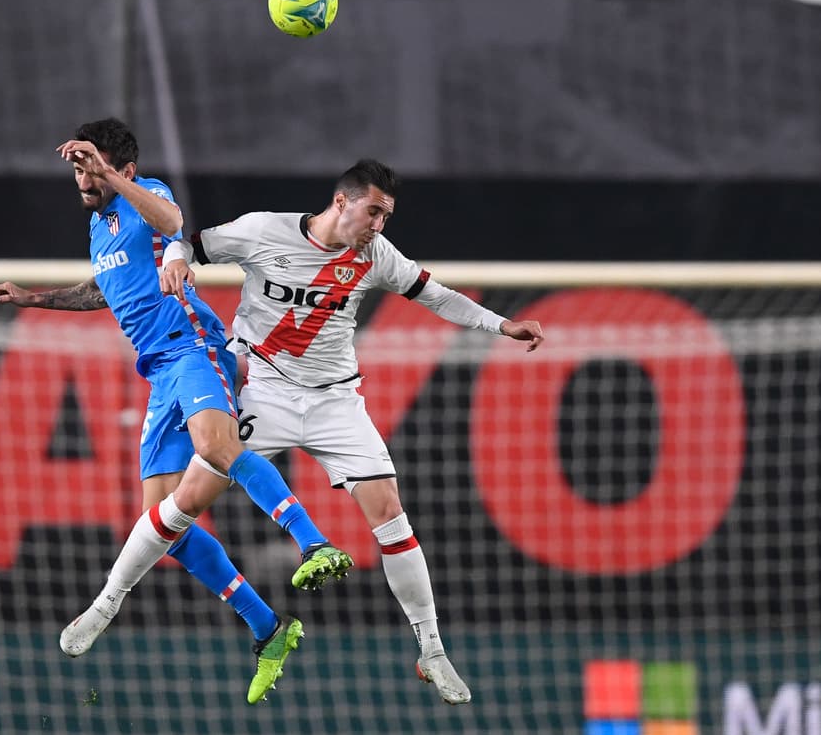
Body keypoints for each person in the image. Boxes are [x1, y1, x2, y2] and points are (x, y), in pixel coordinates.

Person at [0, 118, 353, 704]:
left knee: (217, 447)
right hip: (159, 371)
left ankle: (313, 543)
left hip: (192, 347)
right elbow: (105, 290)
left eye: (93, 168)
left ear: (124, 169)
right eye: (78, 169)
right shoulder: (100, 225)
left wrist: (112, 177)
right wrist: (34, 298)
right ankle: (268, 627)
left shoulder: (146, 193)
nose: (83, 179)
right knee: (162, 526)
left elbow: (173, 223)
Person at [159, 159, 544, 705]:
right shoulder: (263, 231)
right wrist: (175, 259)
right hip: (264, 391)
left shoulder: (375, 254)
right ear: (342, 201)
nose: (379, 225)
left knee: (390, 512)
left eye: (386, 216)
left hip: (336, 403)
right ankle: (109, 602)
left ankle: (432, 650)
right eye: (374, 212)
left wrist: (501, 324)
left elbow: (436, 295)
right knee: (184, 501)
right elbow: (185, 242)